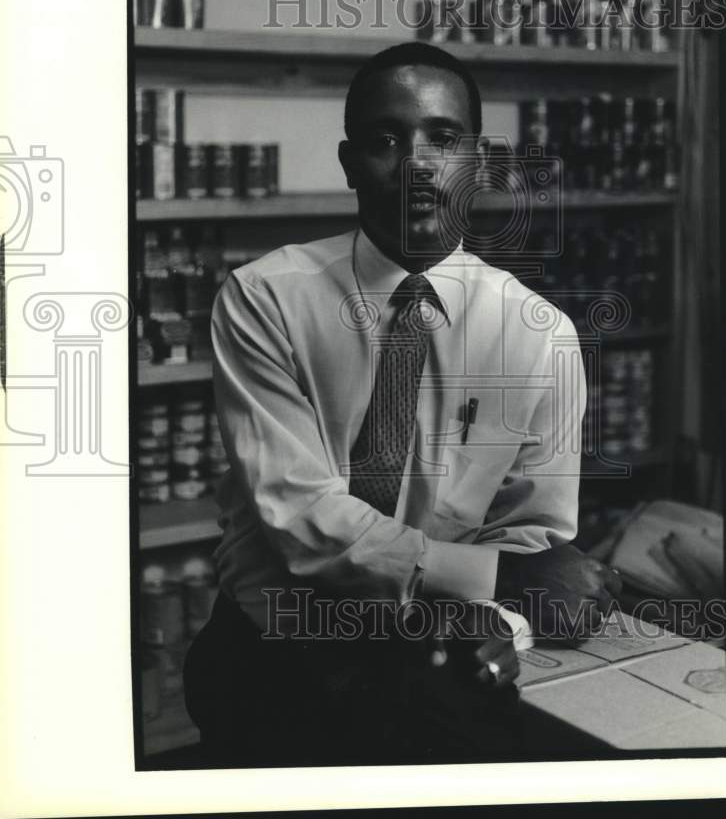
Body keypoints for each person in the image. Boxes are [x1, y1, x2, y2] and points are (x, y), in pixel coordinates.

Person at [184, 42, 622, 767]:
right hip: (271, 655)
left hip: (437, 663)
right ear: (350, 161)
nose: (417, 163)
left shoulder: (539, 334)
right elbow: (304, 522)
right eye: (387, 139)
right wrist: (502, 578)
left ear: (476, 163)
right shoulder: (266, 297)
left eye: (443, 138)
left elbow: (532, 540)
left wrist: (501, 615)